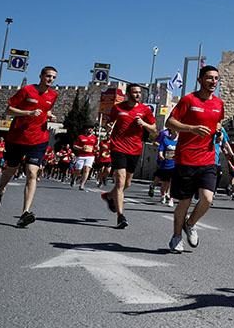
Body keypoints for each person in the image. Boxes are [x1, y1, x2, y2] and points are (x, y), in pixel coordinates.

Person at [166, 65, 232, 253]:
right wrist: (191, 128)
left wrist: (218, 134)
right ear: (200, 80)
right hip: (186, 158)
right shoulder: (188, 100)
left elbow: (218, 123)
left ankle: (191, 224)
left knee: (207, 198)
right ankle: (177, 236)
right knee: (184, 202)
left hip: (208, 158)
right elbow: (169, 122)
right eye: (210, 78)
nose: (213, 82)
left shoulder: (219, 104)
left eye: (216, 78)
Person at [0, 66, 59, 227]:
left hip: (39, 138)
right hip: (18, 137)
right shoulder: (27, 90)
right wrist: (28, 113)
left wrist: (48, 114)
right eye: (48, 76)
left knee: (32, 172)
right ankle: (0, 190)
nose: (51, 79)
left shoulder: (53, 95)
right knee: (11, 169)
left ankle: (25, 213)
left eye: (54, 77)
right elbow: (8, 110)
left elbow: (45, 109)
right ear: (41, 76)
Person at [101, 82, 158, 229]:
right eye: (134, 92)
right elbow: (109, 122)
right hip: (118, 147)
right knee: (120, 181)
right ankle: (121, 216)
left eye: (139, 92)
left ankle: (109, 196)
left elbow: (154, 130)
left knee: (127, 183)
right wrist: (107, 126)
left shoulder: (145, 110)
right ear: (128, 93)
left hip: (135, 149)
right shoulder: (118, 108)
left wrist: (144, 124)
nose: (138, 94)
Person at [153, 128, 177, 207]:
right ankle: (163, 195)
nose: (176, 131)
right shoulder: (165, 140)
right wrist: (160, 155)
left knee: (173, 183)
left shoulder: (180, 141)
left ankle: (171, 199)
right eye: (175, 130)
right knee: (165, 183)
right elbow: (161, 149)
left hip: (175, 165)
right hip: (165, 164)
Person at [71, 124, 98, 191]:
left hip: (90, 156)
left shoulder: (95, 138)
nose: (90, 130)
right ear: (86, 129)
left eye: (91, 129)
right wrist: (81, 148)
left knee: (86, 169)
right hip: (81, 156)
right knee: (78, 170)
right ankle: (74, 178)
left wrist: (96, 150)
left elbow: (96, 147)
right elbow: (74, 146)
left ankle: (82, 184)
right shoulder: (81, 137)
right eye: (89, 128)